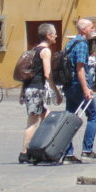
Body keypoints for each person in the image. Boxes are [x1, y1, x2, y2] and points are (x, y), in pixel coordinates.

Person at [20, 24, 63, 163]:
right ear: (49, 35)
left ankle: (43, 149)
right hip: (37, 90)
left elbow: (27, 73)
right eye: (55, 33)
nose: (56, 36)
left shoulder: (33, 50)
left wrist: (22, 92)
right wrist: (57, 92)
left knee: (48, 118)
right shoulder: (45, 51)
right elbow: (47, 73)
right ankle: (25, 153)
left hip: (30, 89)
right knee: (32, 122)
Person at [62, 18, 96, 163]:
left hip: (68, 84)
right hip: (77, 85)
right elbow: (80, 68)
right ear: (84, 29)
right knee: (93, 116)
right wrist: (86, 89)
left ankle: (68, 153)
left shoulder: (71, 43)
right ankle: (87, 150)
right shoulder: (82, 44)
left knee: (69, 118)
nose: (93, 30)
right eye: (91, 27)